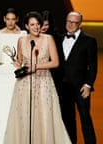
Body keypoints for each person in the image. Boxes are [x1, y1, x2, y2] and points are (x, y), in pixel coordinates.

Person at [3, 11, 72, 144]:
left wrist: (36, 67)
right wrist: (18, 65)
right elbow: (20, 61)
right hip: (24, 84)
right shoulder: (21, 40)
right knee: (24, 116)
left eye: (38, 24)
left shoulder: (48, 39)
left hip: (44, 82)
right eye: (32, 24)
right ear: (26, 26)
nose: (36, 27)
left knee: (44, 117)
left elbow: (55, 62)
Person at [56, 11, 97, 144]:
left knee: (85, 118)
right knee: (68, 119)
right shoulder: (60, 38)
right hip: (64, 87)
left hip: (81, 87)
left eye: (74, 22)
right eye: (68, 21)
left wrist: (88, 85)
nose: (70, 25)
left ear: (80, 24)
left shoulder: (89, 40)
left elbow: (93, 66)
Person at [0, 7, 26, 144]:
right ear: (4, 19)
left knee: (16, 107)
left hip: (15, 74)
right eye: (8, 19)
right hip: (0, 74)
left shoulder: (23, 34)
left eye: (13, 19)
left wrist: (21, 64)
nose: (10, 22)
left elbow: (24, 55)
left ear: (17, 19)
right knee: (1, 108)